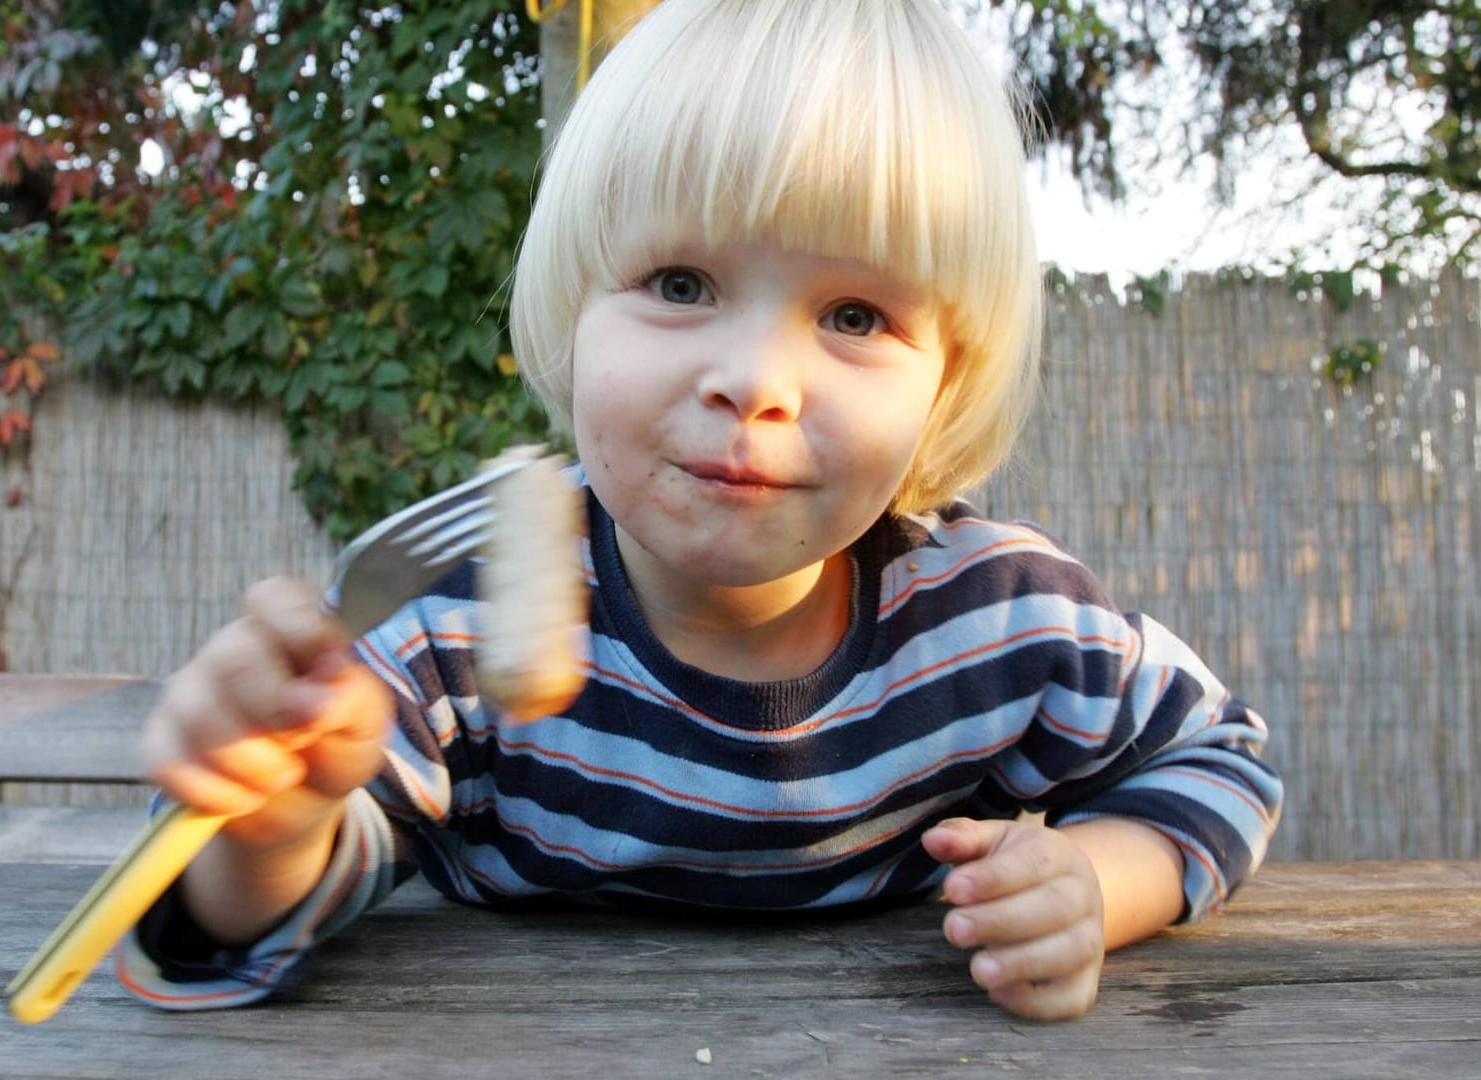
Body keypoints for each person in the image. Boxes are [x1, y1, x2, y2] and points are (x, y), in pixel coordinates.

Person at [121, 0, 1282, 1021]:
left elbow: (1221, 763)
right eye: (681, 285)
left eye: (857, 316)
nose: (756, 380)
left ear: (949, 381)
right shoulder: (448, 620)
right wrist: (269, 828)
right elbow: (285, 902)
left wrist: (1094, 884)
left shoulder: (999, 623)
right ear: (574, 312)